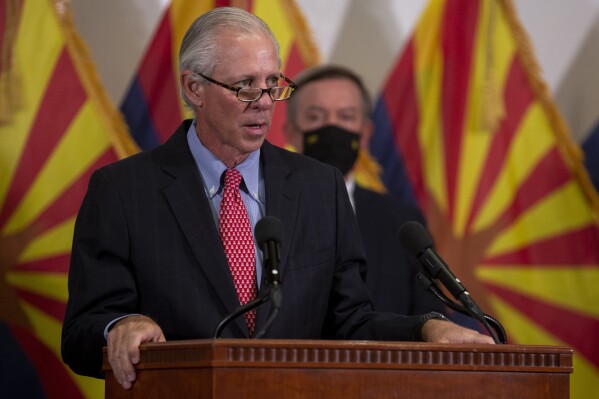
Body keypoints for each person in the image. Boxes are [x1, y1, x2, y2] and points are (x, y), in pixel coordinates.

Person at [61, 7, 494, 391]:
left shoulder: (319, 186)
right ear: (193, 88)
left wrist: (427, 329)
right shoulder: (123, 190)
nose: (265, 104)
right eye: (245, 86)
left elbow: (350, 321)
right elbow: (80, 334)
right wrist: (120, 325)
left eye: (273, 83)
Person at [284, 64, 445, 316]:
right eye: (315, 117)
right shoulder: (264, 210)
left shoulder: (403, 223)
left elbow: (430, 316)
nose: (332, 127)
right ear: (291, 132)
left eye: (346, 117)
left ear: (366, 133)